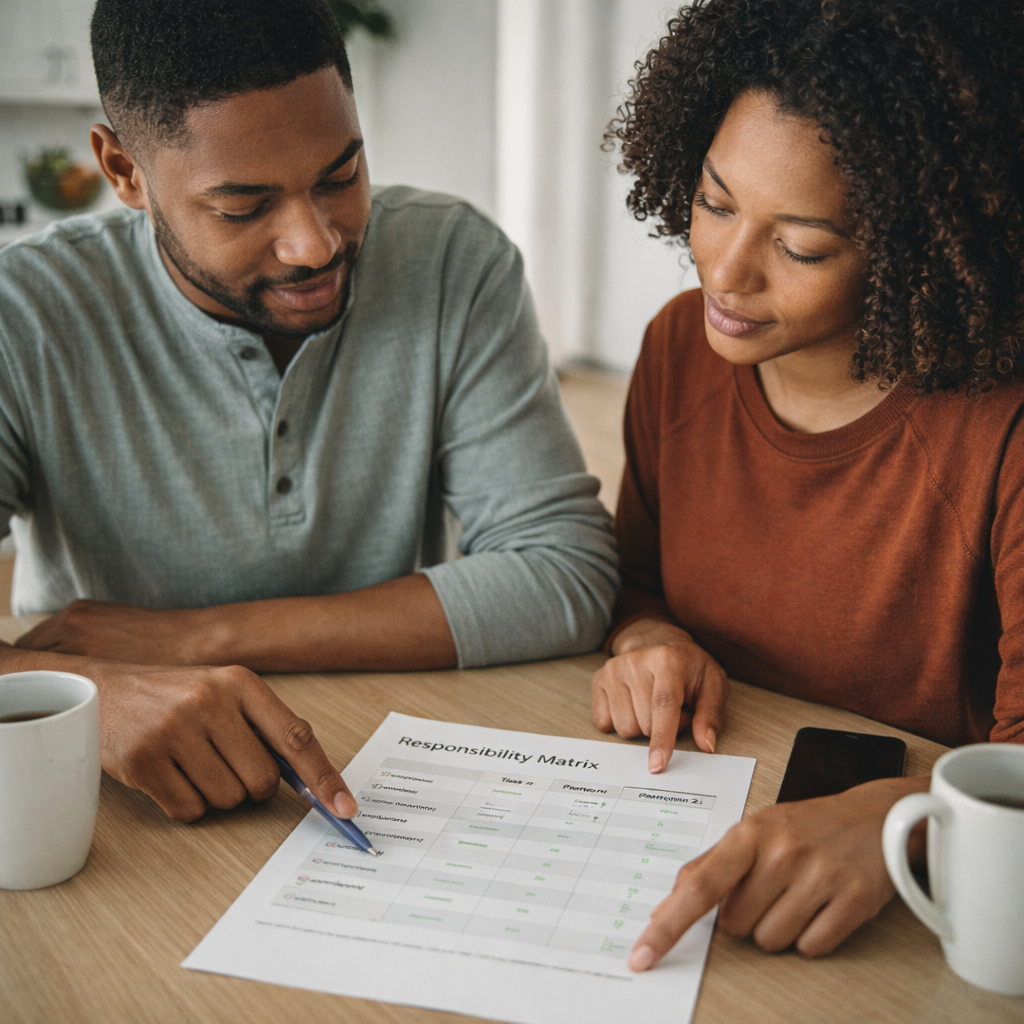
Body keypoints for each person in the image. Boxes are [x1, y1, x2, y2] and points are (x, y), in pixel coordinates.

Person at [0, 0, 616, 825]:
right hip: (108, 799)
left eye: (341, 176)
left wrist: (196, 638)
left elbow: (563, 574)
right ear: (124, 171)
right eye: (243, 208)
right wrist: (98, 690)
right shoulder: (26, 313)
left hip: (397, 763)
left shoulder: (452, 262)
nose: (315, 244)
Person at [588, 0, 1024, 971]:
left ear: (912, 253)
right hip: (697, 824)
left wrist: (899, 818)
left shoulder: (1000, 431)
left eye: (801, 247)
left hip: (920, 913)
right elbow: (639, 582)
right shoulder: (677, 349)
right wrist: (649, 638)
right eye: (713, 200)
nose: (724, 271)